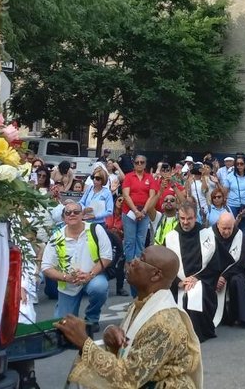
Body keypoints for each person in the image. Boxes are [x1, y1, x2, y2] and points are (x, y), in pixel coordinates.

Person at [55, 245, 203, 389]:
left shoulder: (163, 323)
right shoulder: (143, 302)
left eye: (141, 259)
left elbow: (128, 378)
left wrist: (84, 342)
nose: (133, 261)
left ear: (156, 275)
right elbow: (129, 348)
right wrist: (111, 334)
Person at [41, 201, 112, 337]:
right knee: (64, 326)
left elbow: (107, 256)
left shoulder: (96, 229)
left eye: (76, 212)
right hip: (68, 284)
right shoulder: (56, 237)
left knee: (99, 287)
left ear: (82, 215)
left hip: (92, 277)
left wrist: (90, 275)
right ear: (64, 218)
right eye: (68, 212)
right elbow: (46, 267)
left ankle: (92, 318)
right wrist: (66, 277)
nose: (72, 214)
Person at [164, 203, 222, 342]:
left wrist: (197, 278)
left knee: (197, 294)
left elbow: (216, 264)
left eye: (189, 218)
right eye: (182, 218)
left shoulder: (207, 235)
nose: (185, 222)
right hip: (178, 284)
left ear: (195, 217)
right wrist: (178, 282)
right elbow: (165, 266)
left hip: (203, 281)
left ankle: (198, 332)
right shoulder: (170, 237)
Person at [212, 212, 245, 328]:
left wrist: (224, 276)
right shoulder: (209, 235)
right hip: (212, 274)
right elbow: (204, 261)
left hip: (233, 273)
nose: (227, 232)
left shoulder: (239, 236)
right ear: (218, 224)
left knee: (237, 280)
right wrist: (216, 277)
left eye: (230, 228)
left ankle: (241, 317)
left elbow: (241, 262)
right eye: (224, 228)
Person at [121, 155, 157, 276]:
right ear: (134, 164)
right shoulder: (128, 177)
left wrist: (144, 211)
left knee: (141, 240)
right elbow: (126, 195)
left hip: (144, 212)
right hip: (129, 212)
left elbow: (152, 196)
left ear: (145, 164)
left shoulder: (150, 178)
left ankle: (137, 266)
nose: (139, 164)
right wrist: (136, 211)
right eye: (137, 162)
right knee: (129, 240)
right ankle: (129, 266)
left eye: (142, 162)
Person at [222, 156, 245, 235]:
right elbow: (224, 192)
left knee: (243, 230)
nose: (239, 166)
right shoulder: (230, 176)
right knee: (231, 228)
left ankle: (242, 242)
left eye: (241, 164)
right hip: (232, 205)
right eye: (237, 164)